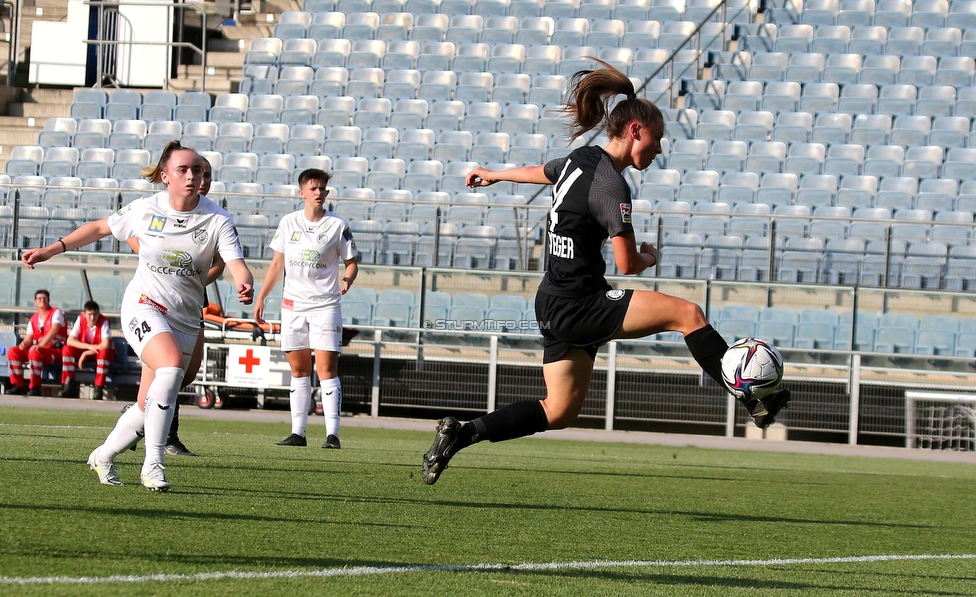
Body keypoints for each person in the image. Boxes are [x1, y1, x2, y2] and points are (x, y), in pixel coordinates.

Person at [421, 60, 791, 485]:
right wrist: (649, 257)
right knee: (687, 314)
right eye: (657, 138)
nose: (659, 148)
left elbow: (541, 172)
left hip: (554, 302)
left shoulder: (581, 160)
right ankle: (751, 398)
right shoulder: (611, 187)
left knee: (558, 411)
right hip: (580, 304)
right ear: (635, 130)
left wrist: (494, 174)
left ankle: (460, 433)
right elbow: (628, 264)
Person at [22, 141, 254, 491]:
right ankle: (153, 464)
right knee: (171, 367)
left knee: (152, 402)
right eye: (184, 170)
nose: (193, 176)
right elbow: (101, 227)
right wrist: (52, 249)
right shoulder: (146, 209)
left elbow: (235, 263)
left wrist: (244, 282)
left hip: (185, 317)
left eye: (198, 171)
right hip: (144, 304)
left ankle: (103, 455)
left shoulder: (217, 219)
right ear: (165, 176)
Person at [254, 168, 358, 449]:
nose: (319, 192)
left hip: (325, 305)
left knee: (326, 369)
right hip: (292, 306)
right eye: (313, 188)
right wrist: (262, 296)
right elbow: (277, 264)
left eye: (323, 188)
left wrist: (347, 278)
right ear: (302, 192)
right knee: (299, 370)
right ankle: (298, 433)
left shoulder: (337, 225)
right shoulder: (288, 223)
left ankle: (332, 435)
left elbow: (351, 262)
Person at [125, 156, 220, 456]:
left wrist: (195, 277)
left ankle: (138, 416)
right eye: (195, 172)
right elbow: (131, 234)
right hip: (157, 298)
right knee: (168, 365)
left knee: (188, 372)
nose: (200, 179)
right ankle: (165, 438)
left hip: (192, 296)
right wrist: (163, 264)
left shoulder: (214, 218)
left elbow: (221, 262)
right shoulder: (159, 207)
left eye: (206, 174)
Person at [6, 289, 66, 396]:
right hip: (39, 350)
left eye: (44, 298)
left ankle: (35, 387)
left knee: (34, 352)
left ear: (49, 300)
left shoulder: (56, 312)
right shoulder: (33, 318)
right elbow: (29, 337)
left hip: (54, 350)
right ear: (35, 302)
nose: (42, 300)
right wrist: (23, 344)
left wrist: (40, 345)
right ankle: (17, 385)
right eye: (39, 298)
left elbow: (54, 329)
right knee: (13, 352)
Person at [59, 300, 115, 400]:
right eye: (90, 314)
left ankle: (99, 388)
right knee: (67, 349)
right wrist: (88, 347)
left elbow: (105, 345)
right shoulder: (80, 319)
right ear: (84, 314)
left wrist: (86, 353)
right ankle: (68, 384)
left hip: (100, 353)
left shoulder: (104, 321)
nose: (93, 318)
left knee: (104, 353)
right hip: (90, 349)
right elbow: (70, 341)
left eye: (95, 314)